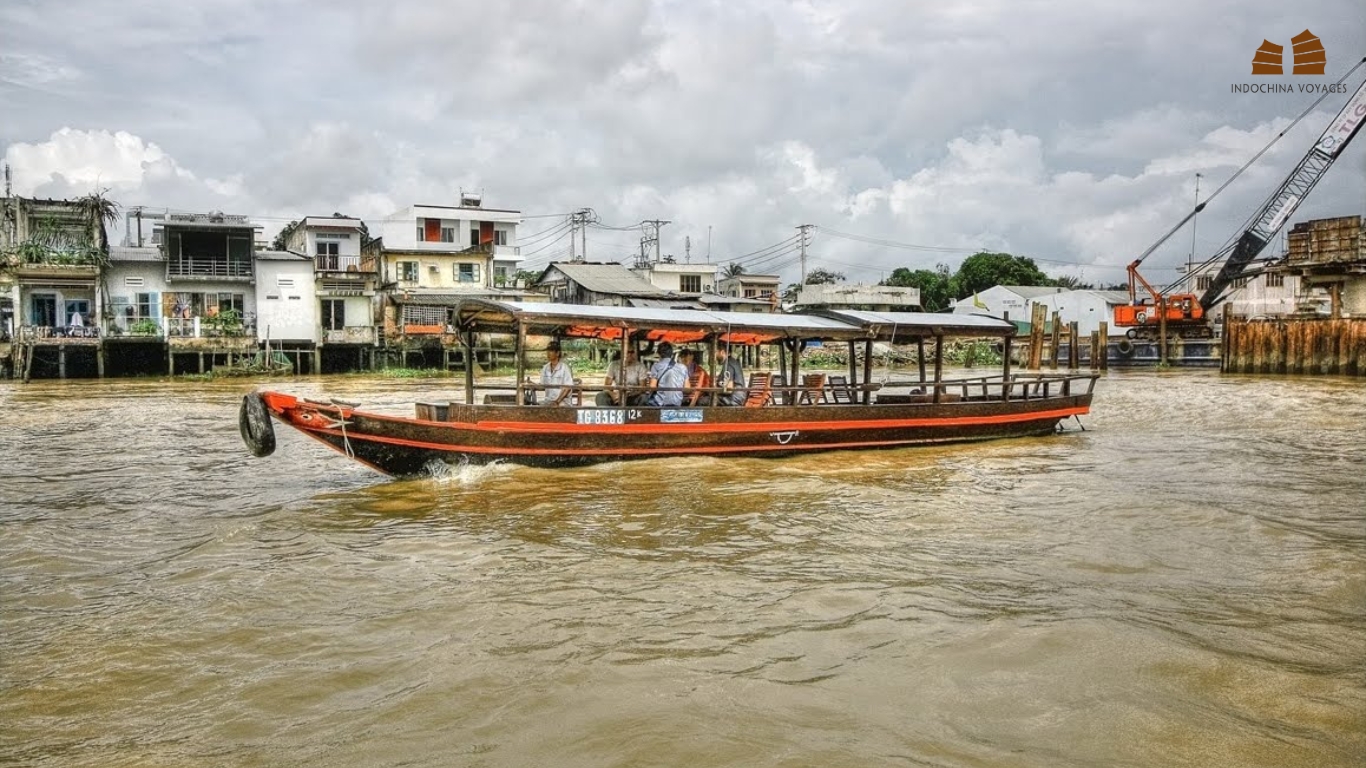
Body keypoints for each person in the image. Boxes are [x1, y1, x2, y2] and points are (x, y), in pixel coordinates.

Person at [646, 342, 687, 407]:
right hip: (677, 403)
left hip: (661, 403)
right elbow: (687, 388)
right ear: (671, 354)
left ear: (659, 354)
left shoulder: (656, 366)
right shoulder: (683, 367)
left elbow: (652, 387)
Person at [539, 341, 575, 406]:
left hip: (562, 402)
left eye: (551, 351)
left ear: (557, 353)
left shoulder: (565, 368)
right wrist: (531, 384)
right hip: (548, 401)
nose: (548, 353)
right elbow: (542, 385)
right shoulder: (545, 368)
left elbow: (568, 387)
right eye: (547, 351)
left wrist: (557, 402)